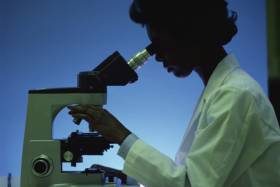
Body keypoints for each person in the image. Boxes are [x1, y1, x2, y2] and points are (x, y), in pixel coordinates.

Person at [68, 0, 280, 186]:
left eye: (160, 44)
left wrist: (121, 135)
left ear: (192, 32)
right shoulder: (220, 90)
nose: (158, 57)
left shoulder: (235, 95)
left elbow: (190, 184)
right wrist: (128, 179)